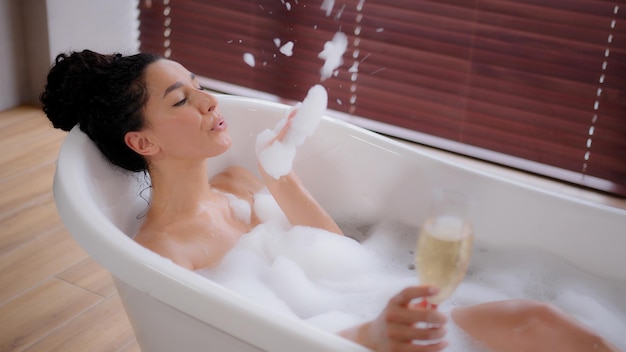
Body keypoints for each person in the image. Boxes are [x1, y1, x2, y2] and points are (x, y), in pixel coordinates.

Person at [40, 50, 620, 352]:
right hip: (358, 337)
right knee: (535, 324)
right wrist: (371, 336)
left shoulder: (239, 184)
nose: (209, 100)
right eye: (180, 99)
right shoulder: (162, 253)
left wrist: (282, 174)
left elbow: (340, 257)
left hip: (368, 316)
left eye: (198, 84)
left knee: (543, 321)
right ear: (144, 142)